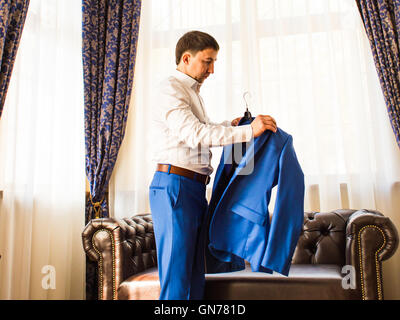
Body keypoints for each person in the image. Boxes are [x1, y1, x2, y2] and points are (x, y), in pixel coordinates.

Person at [149, 30, 277, 300]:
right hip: (175, 187)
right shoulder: (171, 89)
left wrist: (227, 126)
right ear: (186, 58)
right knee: (177, 277)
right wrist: (247, 132)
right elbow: (195, 134)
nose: (212, 69)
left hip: (192, 189)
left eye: (214, 62)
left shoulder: (191, 92)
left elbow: (201, 130)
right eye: (208, 61)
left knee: (195, 276)